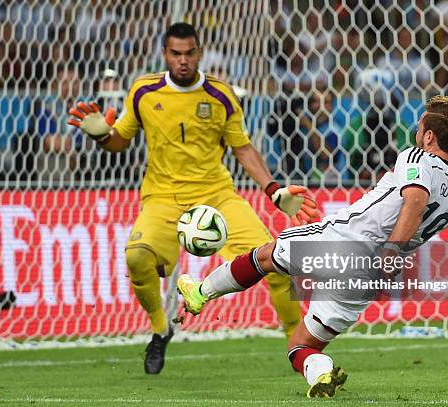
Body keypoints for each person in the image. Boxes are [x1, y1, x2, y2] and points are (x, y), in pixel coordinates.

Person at [177, 95, 448, 397]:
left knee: (264, 255)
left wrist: (391, 248)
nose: (416, 131)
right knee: (301, 346)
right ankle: (322, 372)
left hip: (345, 244)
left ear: (429, 136)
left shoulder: (416, 157)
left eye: (420, 126)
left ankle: (201, 293)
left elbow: (416, 199)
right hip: (370, 277)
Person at [67, 23, 318, 374]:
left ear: (199, 53)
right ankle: (160, 327)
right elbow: (119, 140)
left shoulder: (220, 94)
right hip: (162, 197)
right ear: (165, 55)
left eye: (189, 53)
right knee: (137, 258)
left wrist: (274, 190)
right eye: (175, 54)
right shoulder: (144, 91)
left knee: (276, 260)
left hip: (216, 194)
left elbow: (241, 147)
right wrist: (100, 135)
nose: (182, 61)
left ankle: (300, 345)